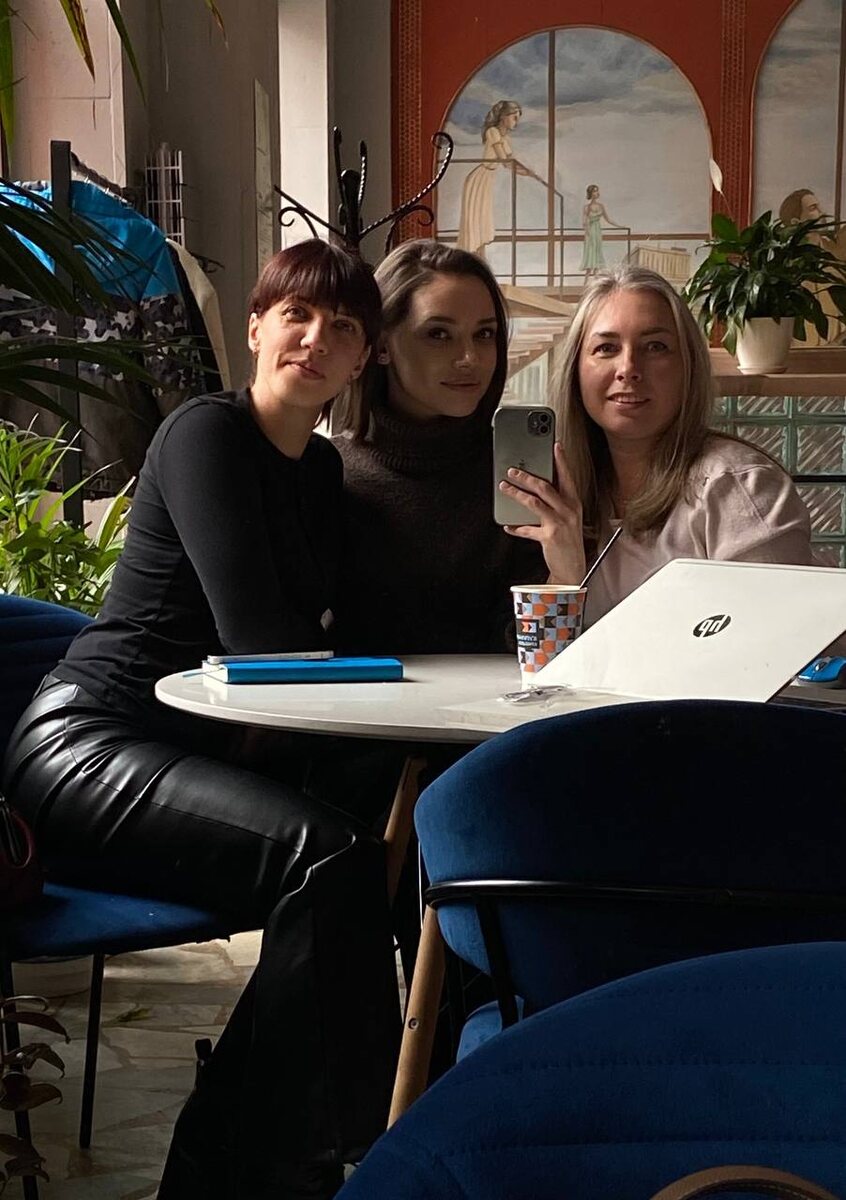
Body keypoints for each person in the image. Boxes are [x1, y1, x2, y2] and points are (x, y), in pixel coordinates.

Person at [1, 239, 401, 1200]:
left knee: (379, 839)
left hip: (197, 759)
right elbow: (263, 641)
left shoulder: (321, 474)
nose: (316, 338)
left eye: (343, 326)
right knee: (329, 859)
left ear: (363, 359)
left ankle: (234, 1164)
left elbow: (333, 634)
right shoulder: (204, 434)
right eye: (296, 314)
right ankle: (328, 1157)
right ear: (256, 327)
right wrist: (322, 636)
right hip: (86, 746)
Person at [497, 264, 815, 627]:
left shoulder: (737, 486)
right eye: (606, 348)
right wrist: (566, 577)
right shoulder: (562, 492)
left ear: (688, 367)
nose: (628, 368)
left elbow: (776, 642)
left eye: (655, 347)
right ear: (575, 371)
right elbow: (546, 654)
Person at [331, 238, 546, 656]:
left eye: (484, 334)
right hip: (356, 696)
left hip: (503, 696)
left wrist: (566, 570)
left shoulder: (519, 473)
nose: (470, 358)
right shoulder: (329, 471)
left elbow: (536, 651)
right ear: (381, 345)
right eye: (438, 334)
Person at [456, 100, 536, 258]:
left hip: (488, 179)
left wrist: (528, 173)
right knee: (475, 220)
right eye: (514, 118)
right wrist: (524, 170)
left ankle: (481, 259)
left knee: (483, 219)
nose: (516, 122)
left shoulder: (506, 138)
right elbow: (504, 161)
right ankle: (473, 258)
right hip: (479, 178)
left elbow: (510, 163)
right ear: (504, 117)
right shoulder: (493, 132)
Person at [579, 184, 624, 280]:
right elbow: (584, 223)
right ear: (591, 193)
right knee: (590, 255)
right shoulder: (586, 207)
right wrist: (588, 234)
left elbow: (608, 219)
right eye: (594, 191)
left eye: (597, 191)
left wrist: (619, 226)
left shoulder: (601, 206)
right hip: (590, 233)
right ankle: (585, 282)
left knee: (597, 255)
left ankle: (595, 280)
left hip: (597, 231)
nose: (597, 193)